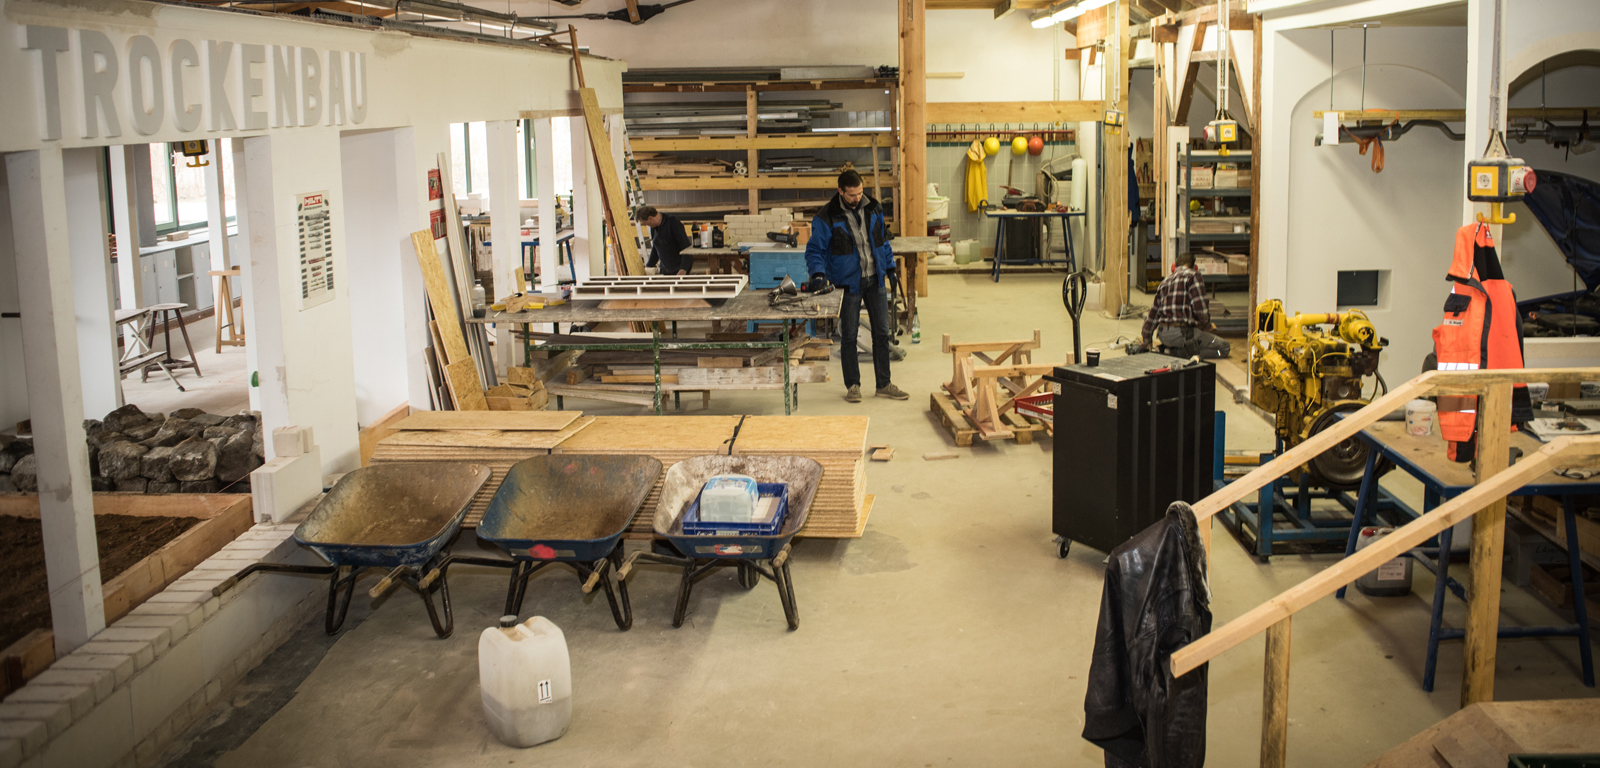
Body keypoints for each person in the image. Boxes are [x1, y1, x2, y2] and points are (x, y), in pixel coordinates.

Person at [805, 169, 909, 403]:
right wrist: (818, 274)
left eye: (860, 193)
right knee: (849, 337)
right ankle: (853, 386)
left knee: (882, 334)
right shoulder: (826, 216)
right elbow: (814, 250)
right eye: (852, 195)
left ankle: (884, 384)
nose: (857, 198)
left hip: (875, 280)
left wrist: (890, 267)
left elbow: (882, 241)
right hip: (848, 284)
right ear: (840, 191)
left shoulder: (873, 207)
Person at [1140, 252, 1231, 359]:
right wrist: (1206, 325)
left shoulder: (1164, 282)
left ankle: (1167, 350)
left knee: (1194, 342)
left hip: (1163, 336)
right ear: (1194, 267)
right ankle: (1177, 353)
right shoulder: (1194, 276)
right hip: (1183, 335)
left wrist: (1147, 339)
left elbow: (1153, 314)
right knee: (1224, 348)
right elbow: (1200, 308)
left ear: (1175, 266)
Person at [638, 205, 692, 275]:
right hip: (665, 269)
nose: (646, 225)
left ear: (650, 218)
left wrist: (683, 269)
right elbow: (655, 248)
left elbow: (686, 248)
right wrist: (649, 266)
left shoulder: (673, 223)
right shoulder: (654, 227)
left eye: (645, 223)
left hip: (678, 269)